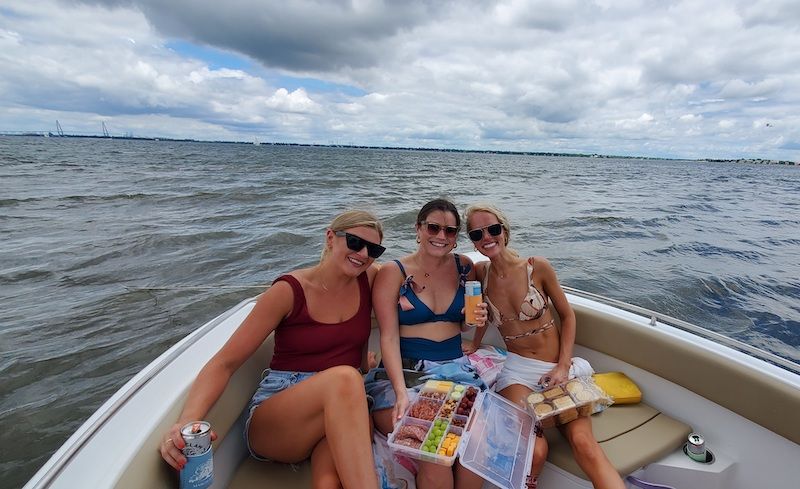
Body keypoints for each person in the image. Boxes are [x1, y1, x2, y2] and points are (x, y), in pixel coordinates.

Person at [159, 210, 385, 489]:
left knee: (330, 481)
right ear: (330, 237)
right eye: (354, 242)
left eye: (373, 249)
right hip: (279, 413)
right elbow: (224, 363)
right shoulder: (289, 290)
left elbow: (415, 275)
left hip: (334, 411)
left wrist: (364, 362)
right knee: (347, 379)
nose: (363, 254)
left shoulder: (371, 278)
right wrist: (188, 419)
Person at [464, 203, 625, 489]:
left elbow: (567, 315)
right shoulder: (479, 273)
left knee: (583, 444)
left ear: (505, 230)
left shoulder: (537, 267)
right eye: (477, 234)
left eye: (493, 229)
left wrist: (563, 366)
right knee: (535, 450)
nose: (487, 237)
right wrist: (475, 345)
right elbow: (480, 317)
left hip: (558, 367)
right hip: (517, 373)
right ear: (473, 241)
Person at [367, 198, 487, 489]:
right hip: (407, 374)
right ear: (418, 229)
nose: (441, 236)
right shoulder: (393, 272)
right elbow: (389, 336)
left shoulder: (464, 267)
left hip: (455, 370)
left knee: (478, 446)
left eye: (450, 231)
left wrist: (473, 320)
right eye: (433, 227)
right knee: (432, 450)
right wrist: (400, 393)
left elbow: (462, 324)